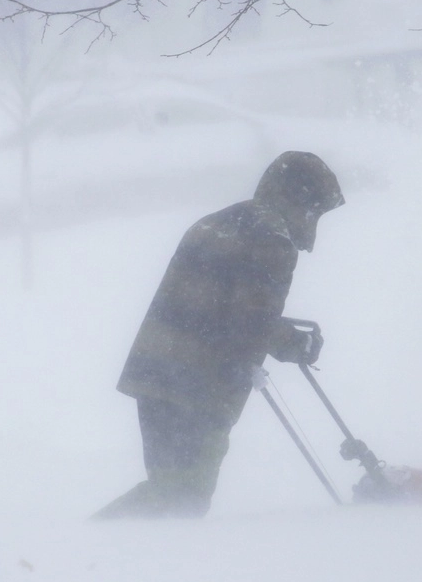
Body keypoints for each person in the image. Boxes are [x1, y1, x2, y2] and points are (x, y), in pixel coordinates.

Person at [93, 151, 345, 519]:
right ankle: (90, 547)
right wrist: (297, 344)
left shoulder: (218, 222)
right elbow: (252, 321)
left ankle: (112, 553)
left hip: (156, 371)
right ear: (301, 200)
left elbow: (222, 304)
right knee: (183, 498)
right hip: (201, 385)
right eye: (316, 209)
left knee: (169, 490)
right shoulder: (272, 238)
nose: (313, 221)